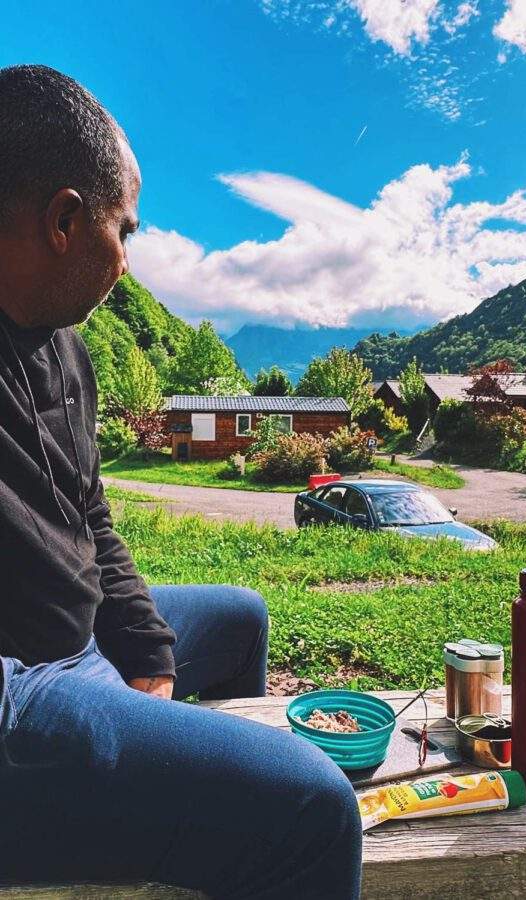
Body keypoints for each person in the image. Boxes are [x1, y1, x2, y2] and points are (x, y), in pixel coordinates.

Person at [0, 65, 361, 898]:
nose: (125, 261)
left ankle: (199, 835)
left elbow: (88, 510)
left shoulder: (64, 347)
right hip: (17, 697)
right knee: (314, 807)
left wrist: (149, 652)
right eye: (123, 230)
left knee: (239, 617)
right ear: (63, 220)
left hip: (74, 645)